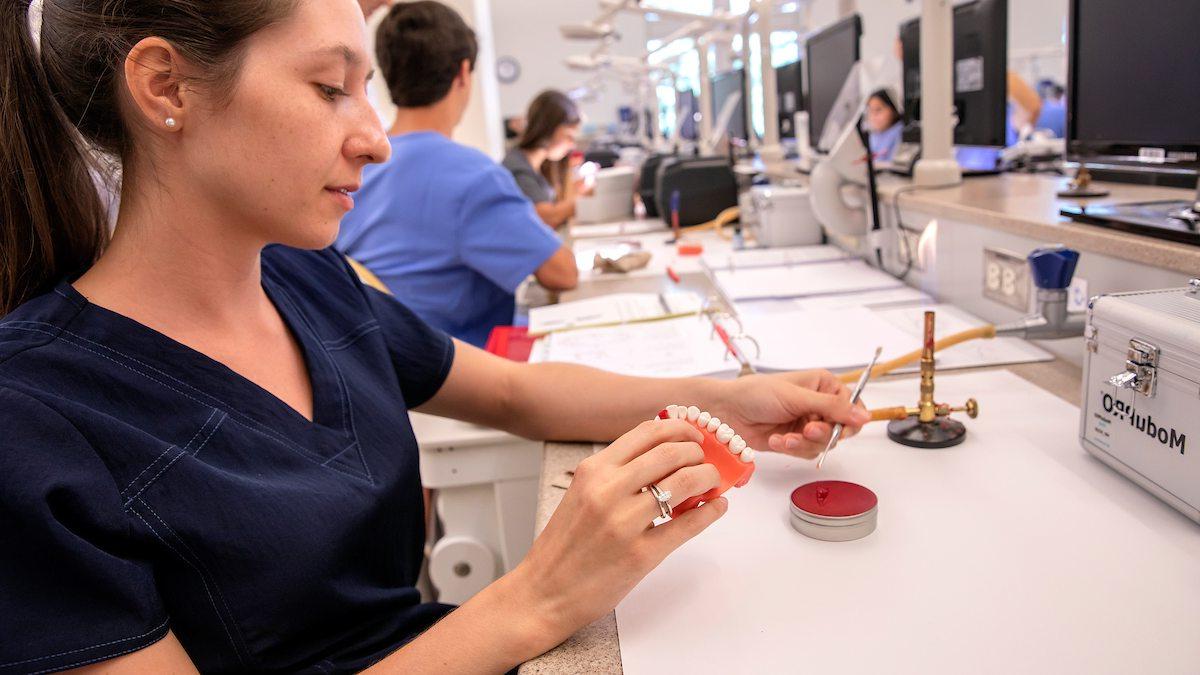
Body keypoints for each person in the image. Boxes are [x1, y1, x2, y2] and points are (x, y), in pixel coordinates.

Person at [0, 0, 869, 672]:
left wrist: (728, 400)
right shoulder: (32, 416)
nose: (376, 140)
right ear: (165, 88)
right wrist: (540, 593)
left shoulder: (309, 282)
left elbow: (513, 389)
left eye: (367, 91)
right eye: (329, 88)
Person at [336, 2, 577, 348]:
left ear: (387, 73)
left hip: (379, 367)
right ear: (463, 73)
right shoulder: (473, 176)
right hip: (456, 375)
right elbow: (562, 274)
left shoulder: (355, 167)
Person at [503, 90, 590, 229]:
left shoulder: (534, 164)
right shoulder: (517, 168)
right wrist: (587, 200)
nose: (572, 144)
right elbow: (548, 216)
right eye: (569, 136)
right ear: (549, 129)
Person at [864, 88, 903, 162]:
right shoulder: (873, 135)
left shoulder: (900, 132)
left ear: (893, 109)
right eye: (870, 110)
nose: (874, 115)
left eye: (878, 109)